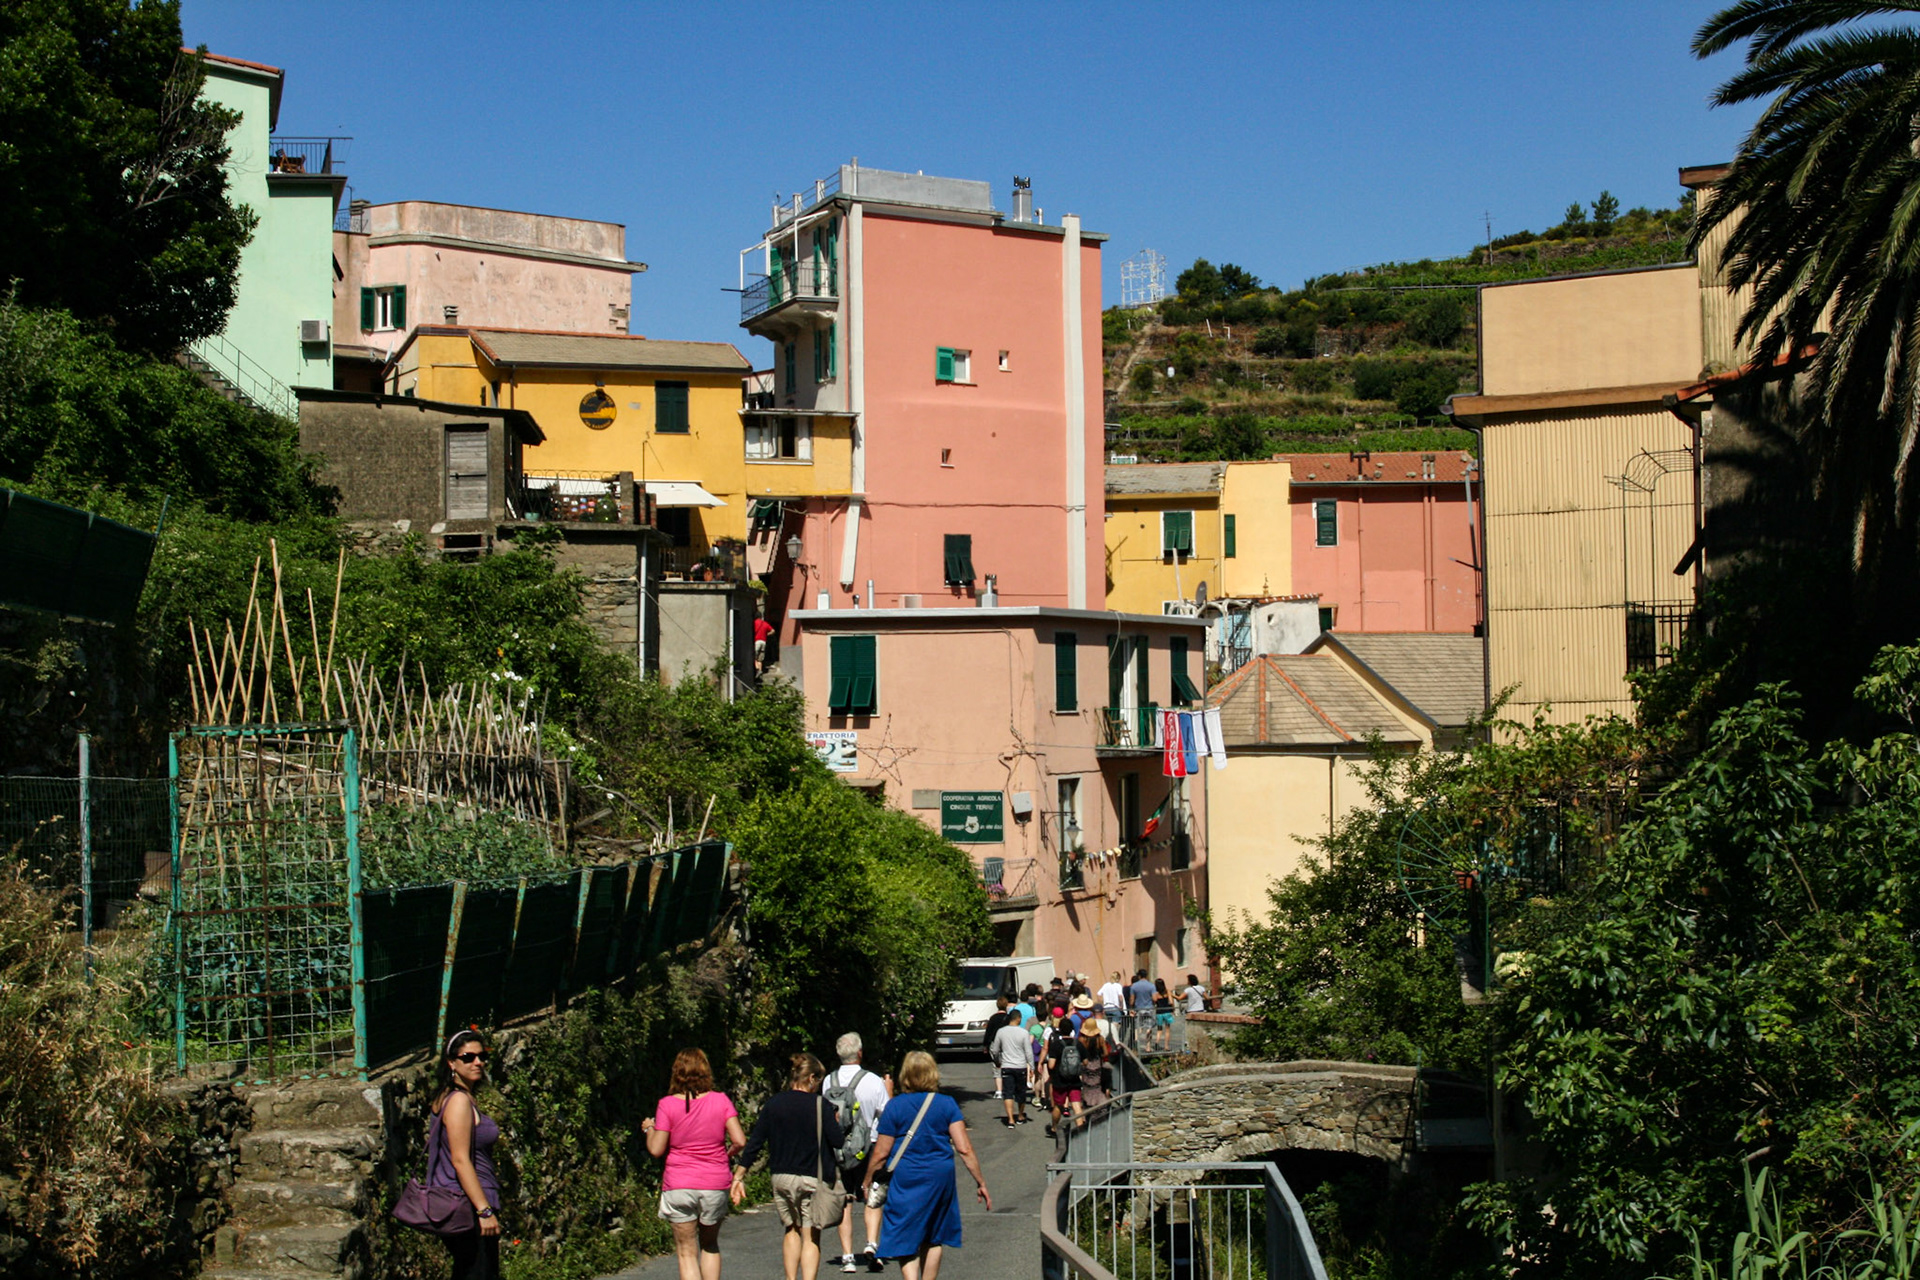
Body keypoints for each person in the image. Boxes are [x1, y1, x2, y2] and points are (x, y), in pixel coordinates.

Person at [862, 1052, 990, 1280]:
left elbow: (881, 1152)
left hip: (905, 1177)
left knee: (904, 1230)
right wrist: (980, 1181)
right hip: (939, 1176)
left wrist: (868, 1178)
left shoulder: (895, 1106)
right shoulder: (946, 1104)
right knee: (934, 1234)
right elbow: (964, 1148)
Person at [644, 1048, 748, 1280]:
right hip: (714, 1181)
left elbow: (656, 1149)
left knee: (686, 1253)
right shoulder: (720, 1100)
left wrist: (649, 1128)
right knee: (709, 1245)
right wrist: (727, 1154)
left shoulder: (667, 1104)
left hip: (679, 1183)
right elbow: (740, 1140)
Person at [737, 1053, 843, 1280]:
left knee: (790, 1228)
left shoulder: (774, 1104)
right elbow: (838, 1141)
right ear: (812, 1078)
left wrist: (740, 1173)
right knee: (810, 1233)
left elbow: (756, 1141)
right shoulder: (820, 1105)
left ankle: (790, 1278)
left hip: (781, 1176)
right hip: (811, 1177)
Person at [427, 1031, 502, 1280]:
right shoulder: (458, 1101)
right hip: (467, 1204)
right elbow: (460, 1160)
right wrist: (484, 1211)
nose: (478, 1062)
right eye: (468, 1057)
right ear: (452, 1063)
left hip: (467, 1202)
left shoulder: (460, 1097)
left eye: (482, 1057)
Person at [824, 1033, 892, 1274]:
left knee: (845, 1201)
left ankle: (847, 1256)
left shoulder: (828, 1081)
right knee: (873, 1196)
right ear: (860, 1053)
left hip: (839, 1149)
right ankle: (872, 1244)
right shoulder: (873, 1081)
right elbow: (887, 1114)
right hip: (869, 1147)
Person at [990, 1012, 1032, 1127]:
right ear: (1018, 1019)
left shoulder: (1001, 1031)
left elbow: (995, 1049)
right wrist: (1032, 1066)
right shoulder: (1023, 1032)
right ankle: (1020, 1115)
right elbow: (1028, 1051)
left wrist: (997, 1060)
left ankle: (1010, 1119)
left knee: (1008, 1093)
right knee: (1021, 1092)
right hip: (1020, 1066)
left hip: (1007, 1065)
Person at [1044, 1015, 1082, 1136]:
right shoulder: (1078, 1044)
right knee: (1076, 1105)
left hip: (1060, 1080)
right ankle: (1081, 1131)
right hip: (1075, 1079)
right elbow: (1085, 1061)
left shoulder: (1056, 1044)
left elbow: (1051, 1065)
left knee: (1058, 1106)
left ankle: (1054, 1128)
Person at [1075, 1019, 1110, 1114]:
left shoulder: (1082, 1040)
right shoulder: (1100, 1039)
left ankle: (1087, 1104)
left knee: (1087, 1084)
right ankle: (1097, 1103)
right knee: (1096, 1085)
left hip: (1085, 1064)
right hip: (1097, 1064)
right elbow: (1106, 1053)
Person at [981, 996, 1012, 1099]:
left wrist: (985, 1045)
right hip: (1007, 1044)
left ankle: (999, 1091)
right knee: (1007, 1065)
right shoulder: (1009, 1018)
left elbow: (988, 1033)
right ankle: (1008, 1089)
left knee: (997, 1066)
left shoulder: (993, 1018)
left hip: (995, 1044)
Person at [1128, 970, 1156, 1049]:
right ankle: (1148, 1047)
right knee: (1149, 1027)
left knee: (1138, 1028)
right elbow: (1154, 998)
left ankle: (1137, 1044)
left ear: (1139, 976)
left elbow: (1132, 1000)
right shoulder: (1151, 986)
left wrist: (1131, 1008)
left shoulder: (1134, 986)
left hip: (1139, 1009)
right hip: (1149, 1009)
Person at [1152, 978, 1175, 1052]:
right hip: (1167, 1012)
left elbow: (1154, 1001)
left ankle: (1157, 1042)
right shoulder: (1167, 991)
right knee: (1167, 1030)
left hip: (1159, 1013)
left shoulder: (1156, 993)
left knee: (1159, 1029)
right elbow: (1171, 1002)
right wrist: (1173, 1009)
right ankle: (1166, 1046)